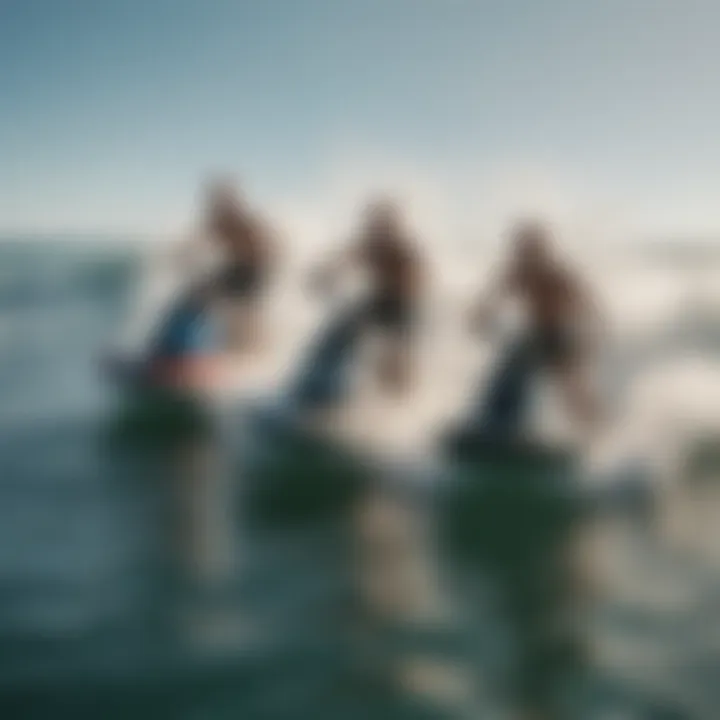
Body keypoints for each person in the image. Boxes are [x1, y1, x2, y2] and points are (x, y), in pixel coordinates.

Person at [469, 220, 604, 438]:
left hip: (559, 336)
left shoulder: (557, 274)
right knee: (507, 374)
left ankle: (598, 431)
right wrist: (480, 315)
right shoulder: (517, 272)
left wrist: (589, 335)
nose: (525, 254)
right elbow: (493, 297)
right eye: (522, 249)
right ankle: (498, 425)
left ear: (541, 250)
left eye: (530, 248)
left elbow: (587, 303)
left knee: (572, 390)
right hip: (534, 336)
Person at [310, 198, 425, 396]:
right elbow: (344, 259)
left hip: (403, 305)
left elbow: (416, 279)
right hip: (379, 301)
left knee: (394, 356)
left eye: (381, 223)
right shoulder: (368, 243)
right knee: (341, 330)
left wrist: (403, 296)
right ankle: (323, 384)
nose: (375, 228)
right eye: (373, 223)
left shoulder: (401, 248)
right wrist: (324, 275)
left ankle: (401, 394)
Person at [202, 179, 278, 355]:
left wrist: (262, 260)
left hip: (254, 271)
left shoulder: (244, 221)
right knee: (205, 295)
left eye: (223, 200)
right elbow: (198, 242)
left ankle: (250, 347)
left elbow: (268, 245)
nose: (218, 204)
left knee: (240, 307)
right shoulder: (217, 221)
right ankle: (229, 346)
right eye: (216, 200)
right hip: (235, 268)